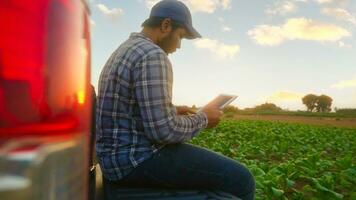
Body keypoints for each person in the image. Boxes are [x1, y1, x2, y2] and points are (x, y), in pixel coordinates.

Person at [96, 0, 255, 199]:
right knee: (241, 178)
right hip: (136, 160)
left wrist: (170, 109)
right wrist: (203, 118)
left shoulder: (124, 50)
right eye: (180, 36)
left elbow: (127, 108)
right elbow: (163, 131)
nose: (179, 46)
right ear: (165, 26)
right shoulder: (153, 55)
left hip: (113, 159)